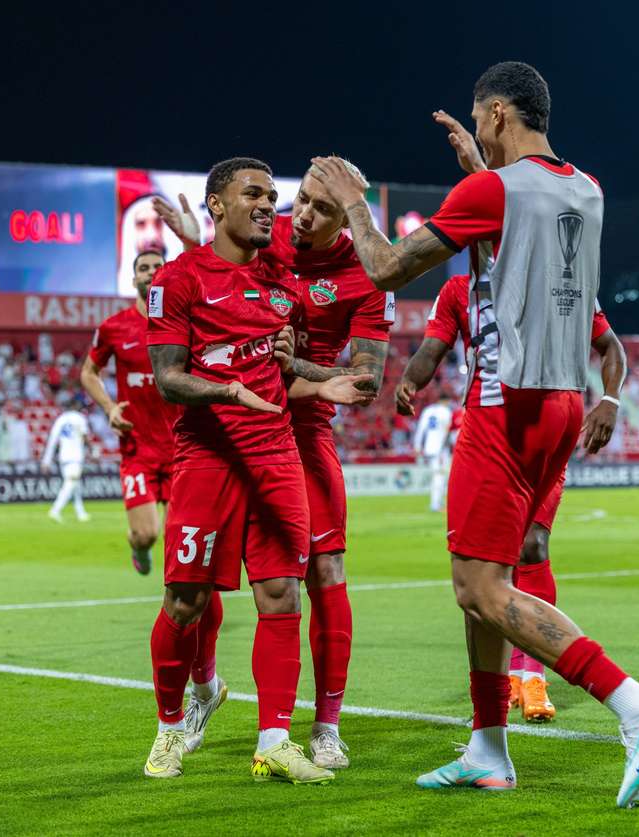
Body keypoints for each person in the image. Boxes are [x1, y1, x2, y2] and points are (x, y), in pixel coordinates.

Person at [309, 62, 639, 807]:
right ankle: (488, 748)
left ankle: (638, 703)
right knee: (485, 586)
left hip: (503, 407)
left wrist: (355, 204)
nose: (478, 128)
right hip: (562, 405)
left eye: (482, 118)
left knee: (478, 588)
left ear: (496, 113)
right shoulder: (585, 188)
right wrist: (483, 169)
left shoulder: (492, 192)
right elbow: (519, 217)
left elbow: (385, 267)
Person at [153, 161, 393, 769]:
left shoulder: (368, 271)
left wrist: (303, 368)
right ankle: (202, 688)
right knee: (191, 589)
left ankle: (323, 728)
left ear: (348, 218)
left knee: (321, 572)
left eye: (321, 208)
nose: (300, 216)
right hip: (222, 432)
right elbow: (219, 278)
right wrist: (193, 242)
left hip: (300, 430)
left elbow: (366, 380)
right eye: (300, 201)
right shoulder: (274, 238)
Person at [397, 273, 627, 722]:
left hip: (547, 426)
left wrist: (611, 401)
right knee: (487, 570)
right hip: (491, 432)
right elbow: (432, 347)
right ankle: (499, 691)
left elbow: (611, 346)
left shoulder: (561, 279)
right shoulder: (457, 291)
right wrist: (409, 381)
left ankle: (534, 678)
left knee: (533, 545)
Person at [81, 250, 179, 575]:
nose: (151, 273)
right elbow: (88, 372)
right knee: (147, 533)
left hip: (184, 449)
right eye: (144, 268)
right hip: (138, 450)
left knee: (181, 541)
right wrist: (109, 408)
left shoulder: (186, 323)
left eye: (158, 267)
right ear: (133, 278)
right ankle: (137, 546)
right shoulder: (114, 327)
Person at [41, 402, 90, 523]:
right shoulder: (80, 418)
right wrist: (91, 451)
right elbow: (85, 437)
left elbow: (52, 440)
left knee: (75, 486)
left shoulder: (61, 419)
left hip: (64, 457)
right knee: (71, 483)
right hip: (76, 456)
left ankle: (81, 513)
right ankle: (55, 510)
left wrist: (46, 460)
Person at [412, 393, 453, 512]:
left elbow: (421, 429)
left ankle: (438, 503)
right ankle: (436, 504)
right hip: (440, 448)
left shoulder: (428, 410)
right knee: (440, 476)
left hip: (429, 447)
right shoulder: (446, 411)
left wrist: (417, 446)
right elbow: (448, 430)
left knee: (438, 475)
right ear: (445, 401)